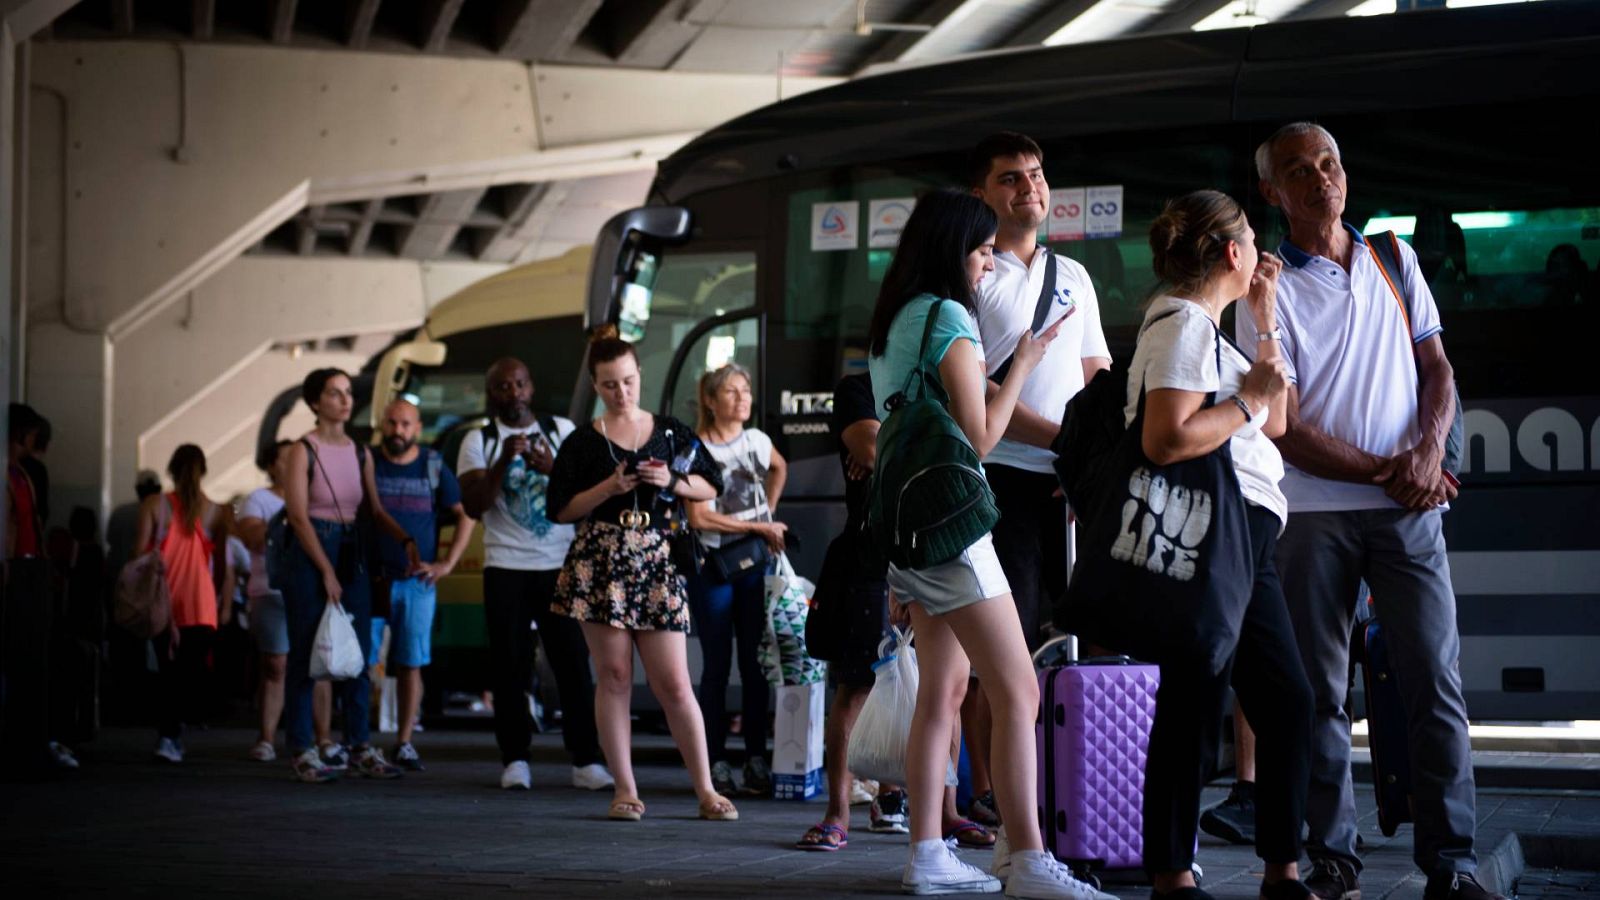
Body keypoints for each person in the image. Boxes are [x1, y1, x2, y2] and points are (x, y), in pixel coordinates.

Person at [1245, 122, 1497, 900]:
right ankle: (1334, 861)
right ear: (1272, 191)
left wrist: (1427, 453)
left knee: (1435, 682)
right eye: (1299, 169)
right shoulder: (1265, 288)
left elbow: (1437, 369)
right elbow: (1285, 428)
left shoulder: (1394, 256)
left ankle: (1451, 864)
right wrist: (1399, 472)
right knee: (1319, 694)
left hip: (1407, 513)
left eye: (1329, 163)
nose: (1321, 178)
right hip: (1312, 516)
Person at [864, 187, 1104, 899]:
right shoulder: (946, 316)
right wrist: (1022, 363)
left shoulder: (896, 319)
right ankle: (1027, 859)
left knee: (943, 690)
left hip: (909, 526)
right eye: (981, 251)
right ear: (953, 251)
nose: (988, 264)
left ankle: (927, 853)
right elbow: (981, 437)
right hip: (954, 527)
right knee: (1017, 686)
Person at [1125, 190, 1312, 900]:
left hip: (1243, 538)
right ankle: (1173, 875)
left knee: (1283, 701)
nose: (1260, 251)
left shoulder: (1208, 331)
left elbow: (1278, 421)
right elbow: (1165, 438)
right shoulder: (1180, 327)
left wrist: (1265, 321)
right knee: (1195, 702)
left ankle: (1280, 871)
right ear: (1233, 252)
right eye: (1252, 240)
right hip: (1213, 533)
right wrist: (1245, 401)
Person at [965, 132, 1112, 825]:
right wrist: (1064, 444)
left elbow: (1096, 377)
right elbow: (976, 389)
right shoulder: (972, 274)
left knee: (1088, 634)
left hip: (1070, 488)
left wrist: (1092, 461)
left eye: (1037, 174)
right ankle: (991, 796)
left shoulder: (1074, 274)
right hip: (1002, 481)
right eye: (1011, 178)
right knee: (1007, 649)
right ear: (982, 195)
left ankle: (1080, 786)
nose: (1030, 188)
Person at [546, 330, 738, 823]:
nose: (622, 392)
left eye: (628, 381)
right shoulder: (583, 441)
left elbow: (712, 484)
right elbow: (561, 509)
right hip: (600, 557)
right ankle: (625, 790)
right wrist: (608, 487)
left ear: (639, 376)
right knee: (613, 676)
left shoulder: (669, 431)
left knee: (674, 681)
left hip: (657, 555)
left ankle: (706, 790)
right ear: (596, 385)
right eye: (610, 385)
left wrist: (671, 480)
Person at [457, 357, 610, 792]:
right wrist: (503, 462)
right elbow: (474, 505)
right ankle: (515, 759)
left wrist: (551, 468)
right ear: (493, 394)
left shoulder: (561, 430)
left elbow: (591, 492)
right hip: (505, 566)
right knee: (509, 667)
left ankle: (586, 761)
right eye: (504, 387)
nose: (515, 394)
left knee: (573, 665)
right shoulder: (480, 440)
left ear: (532, 387)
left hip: (559, 564)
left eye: (521, 384)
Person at [280, 368, 416, 783]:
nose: (345, 400)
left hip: (351, 549)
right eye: (334, 393)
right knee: (305, 653)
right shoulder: (303, 450)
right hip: (311, 550)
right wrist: (325, 571)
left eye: (347, 392)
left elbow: (374, 510)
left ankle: (359, 746)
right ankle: (302, 749)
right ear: (315, 402)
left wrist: (406, 540)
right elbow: (298, 517)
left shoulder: (360, 453)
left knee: (358, 653)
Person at [686, 363, 788, 797]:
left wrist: (768, 510)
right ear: (710, 401)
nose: (742, 398)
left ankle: (755, 758)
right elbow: (699, 516)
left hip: (755, 564)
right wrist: (759, 526)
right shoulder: (696, 449)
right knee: (716, 666)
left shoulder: (758, 441)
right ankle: (715, 761)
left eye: (745, 390)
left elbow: (779, 467)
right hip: (713, 566)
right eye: (731, 391)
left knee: (754, 663)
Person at [372, 399, 476, 771]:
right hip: (372, 579)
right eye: (391, 422)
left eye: (405, 424)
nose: (397, 430)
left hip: (417, 582)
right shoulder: (368, 462)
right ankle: (358, 743)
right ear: (382, 425)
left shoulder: (432, 466)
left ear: (417, 428)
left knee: (410, 664)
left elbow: (466, 515)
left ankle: (404, 742)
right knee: (360, 665)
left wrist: (446, 564)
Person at [133, 445, 233, 764]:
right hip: (200, 604)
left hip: (163, 601)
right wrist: (217, 598)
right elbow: (222, 565)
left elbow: (138, 556)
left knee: (166, 671)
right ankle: (173, 734)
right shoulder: (217, 511)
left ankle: (169, 736)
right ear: (203, 472)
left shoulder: (154, 505)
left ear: (171, 471)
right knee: (189, 673)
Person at [2, 405, 52, 773]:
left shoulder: (22, 474)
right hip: (15, 568)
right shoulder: (9, 475)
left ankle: (29, 746)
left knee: (32, 662)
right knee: (19, 658)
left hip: (31, 567)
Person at [236, 441, 293, 761]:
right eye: (286, 459)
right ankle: (267, 738)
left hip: (307, 592)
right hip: (270, 592)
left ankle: (318, 738)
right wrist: (287, 513)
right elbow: (254, 539)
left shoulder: (314, 498)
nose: (294, 465)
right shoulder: (258, 500)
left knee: (314, 668)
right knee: (275, 665)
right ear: (271, 466)